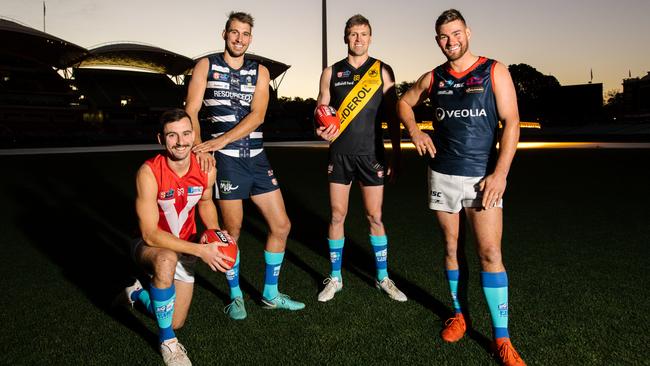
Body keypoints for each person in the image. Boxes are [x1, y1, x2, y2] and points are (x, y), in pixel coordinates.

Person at [396, 9, 525, 366]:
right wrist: (415, 131)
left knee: (489, 255)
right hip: (441, 175)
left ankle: (502, 339)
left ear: (467, 32)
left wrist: (501, 173)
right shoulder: (433, 77)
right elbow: (403, 103)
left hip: (483, 178)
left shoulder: (493, 70)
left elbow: (512, 122)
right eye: (443, 36)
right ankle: (459, 315)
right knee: (451, 248)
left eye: (455, 34)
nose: (450, 42)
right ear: (437, 40)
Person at [185, 11, 304, 318]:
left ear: (251, 37)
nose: (239, 38)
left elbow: (258, 115)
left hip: (256, 157)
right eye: (234, 32)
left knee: (281, 225)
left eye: (245, 34)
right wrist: (201, 148)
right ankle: (236, 295)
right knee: (232, 232)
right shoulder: (205, 65)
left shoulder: (260, 71)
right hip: (225, 162)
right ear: (225, 33)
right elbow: (192, 109)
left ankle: (270, 293)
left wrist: (219, 140)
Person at [118, 109, 234, 366]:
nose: (180, 141)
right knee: (166, 260)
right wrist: (200, 251)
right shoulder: (149, 172)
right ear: (161, 139)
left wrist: (214, 234)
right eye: (172, 135)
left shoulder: (205, 168)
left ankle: (136, 293)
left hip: (189, 246)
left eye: (185, 133)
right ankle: (168, 343)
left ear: (194, 135)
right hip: (147, 245)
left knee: (175, 321)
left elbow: (205, 203)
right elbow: (150, 233)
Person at [314, 14, 406, 303]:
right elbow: (321, 107)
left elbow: (393, 116)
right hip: (340, 154)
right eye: (353, 34)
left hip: (372, 155)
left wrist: (396, 154)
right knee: (337, 215)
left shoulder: (382, 70)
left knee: (374, 216)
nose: (358, 39)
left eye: (363, 34)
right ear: (345, 37)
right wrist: (319, 128)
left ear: (370, 37)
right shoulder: (331, 72)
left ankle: (382, 278)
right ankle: (336, 277)